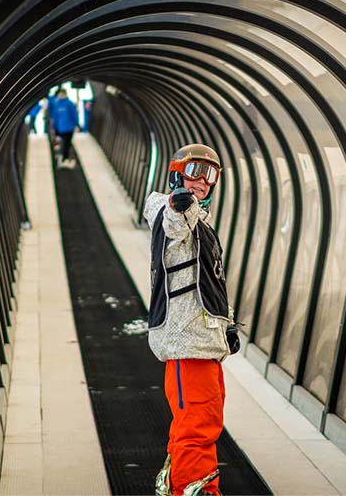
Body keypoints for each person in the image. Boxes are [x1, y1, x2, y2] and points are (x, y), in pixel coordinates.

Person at [144, 144, 241, 496]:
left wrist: (225, 326)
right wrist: (180, 203)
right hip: (188, 344)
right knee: (197, 427)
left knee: (201, 421)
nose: (202, 181)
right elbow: (174, 223)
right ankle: (197, 489)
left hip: (204, 342)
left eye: (210, 174)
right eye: (194, 170)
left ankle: (174, 484)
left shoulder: (202, 219)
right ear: (176, 174)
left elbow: (209, 281)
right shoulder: (177, 211)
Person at [50, 89, 79, 167]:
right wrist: (53, 126)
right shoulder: (56, 104)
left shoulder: (70, 104)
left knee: (67, 144)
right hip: (58, 128)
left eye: (62, 94)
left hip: (68, 128)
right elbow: (54, 116)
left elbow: (74, 115)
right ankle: (57, 155)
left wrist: (76, 125)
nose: (60, 96)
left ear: (65, 94)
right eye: (59, 94)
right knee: (57, 143)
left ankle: (64, 158)